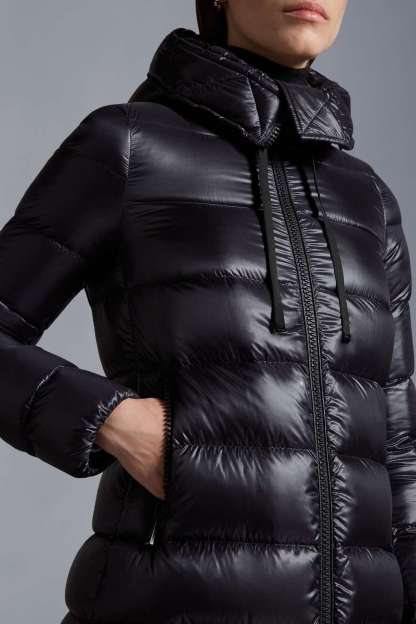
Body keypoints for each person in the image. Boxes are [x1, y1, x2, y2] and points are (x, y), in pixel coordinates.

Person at [0, 1, 414, 622]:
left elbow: (400, 443)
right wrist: (112, 421)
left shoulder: (368, 197)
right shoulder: (129, 145)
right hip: (169, 600)